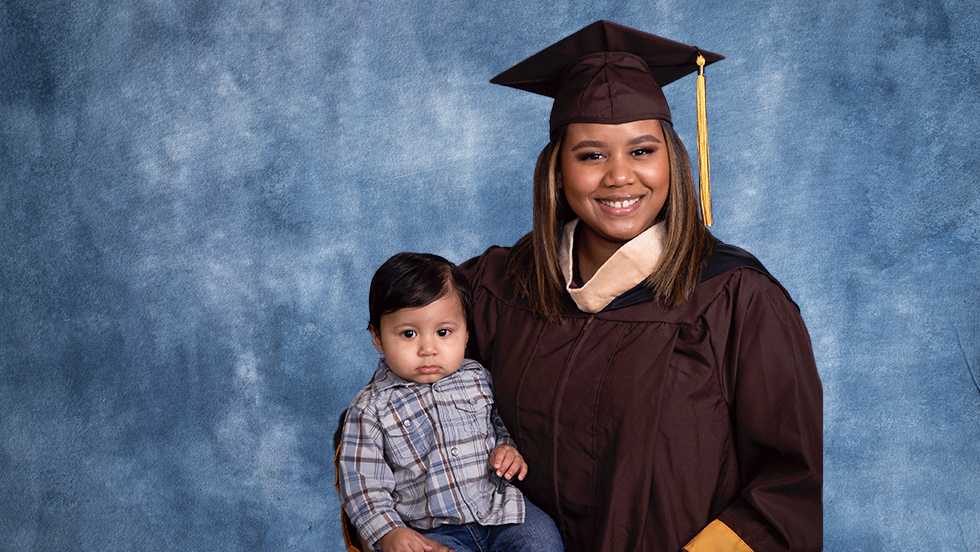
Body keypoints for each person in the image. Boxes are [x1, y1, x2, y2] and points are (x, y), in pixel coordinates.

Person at [459, 21, 823, 552]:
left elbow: (785, 488)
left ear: (672, 161)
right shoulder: (495, 287)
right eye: (591, 155)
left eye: (641, 151)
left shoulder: (735, 301)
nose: (620, 177)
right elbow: (402, 402)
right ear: (557, 170)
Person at [337, 252, 564, 552]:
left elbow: (500, 420)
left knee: (542, 539)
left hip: (500, 513)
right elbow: (362, 483)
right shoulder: (369, 408)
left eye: (443, 332)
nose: (428, 348)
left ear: (466, 332)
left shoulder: (479, 378)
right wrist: (388, 532)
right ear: (377, 337)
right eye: (408, 333)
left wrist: (507, 448)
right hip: (431, 530)